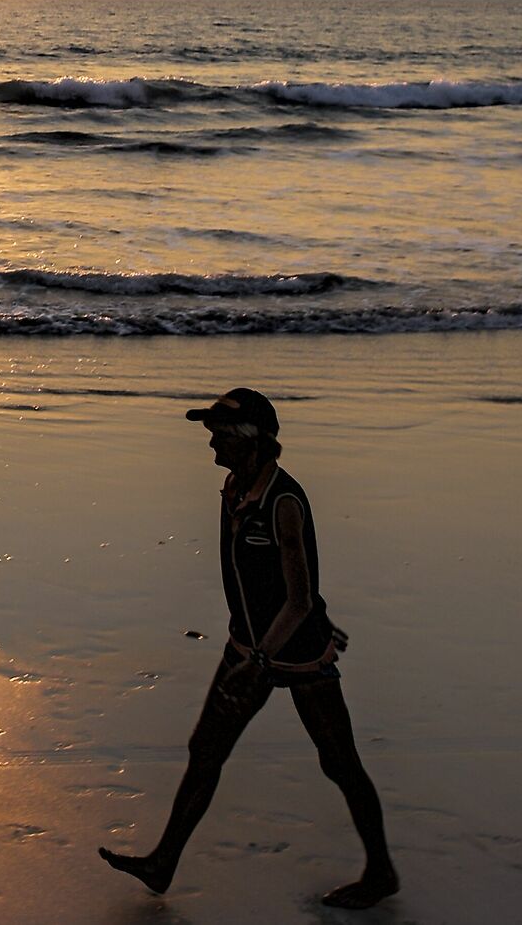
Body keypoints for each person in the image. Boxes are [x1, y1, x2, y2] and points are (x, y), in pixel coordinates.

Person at [98, 387, 399, 910]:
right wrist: (255, 649)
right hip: (249, 646)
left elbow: (299, 598)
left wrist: (264, 658)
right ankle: (164, 861)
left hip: (296, 653)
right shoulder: (234, 488)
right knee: (205, 750)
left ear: (252, 441)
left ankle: (381, 872)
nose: (211, 444)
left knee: (339, 761)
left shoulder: (283, 502)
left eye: (220, 434)